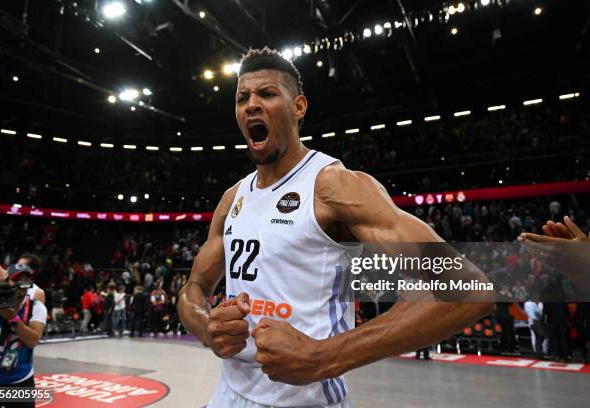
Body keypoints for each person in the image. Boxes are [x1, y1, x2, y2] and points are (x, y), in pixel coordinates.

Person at [178, 47, 492, 408]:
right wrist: (206, 326)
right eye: (241, 98)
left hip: (304, 400)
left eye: (266, 94)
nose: (250, 105)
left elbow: (469, 289)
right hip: (227, 395)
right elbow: (195, 287)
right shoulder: (232, 198)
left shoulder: (333, 186)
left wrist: (323, 356)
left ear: (298, 107)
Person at [0, 264, 47, 408]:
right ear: (6, 281)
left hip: (21, 380)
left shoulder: (36, 307)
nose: (21, 286)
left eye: (26, 281)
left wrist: (13, 319)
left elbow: (33, 341)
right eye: (16, 280)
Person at [0, 219, 46, 304]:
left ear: (31, 271)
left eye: (21, 265)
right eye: (17, 264)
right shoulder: (5, 277)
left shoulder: (37, 292)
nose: (16, 267)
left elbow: (36, 317)